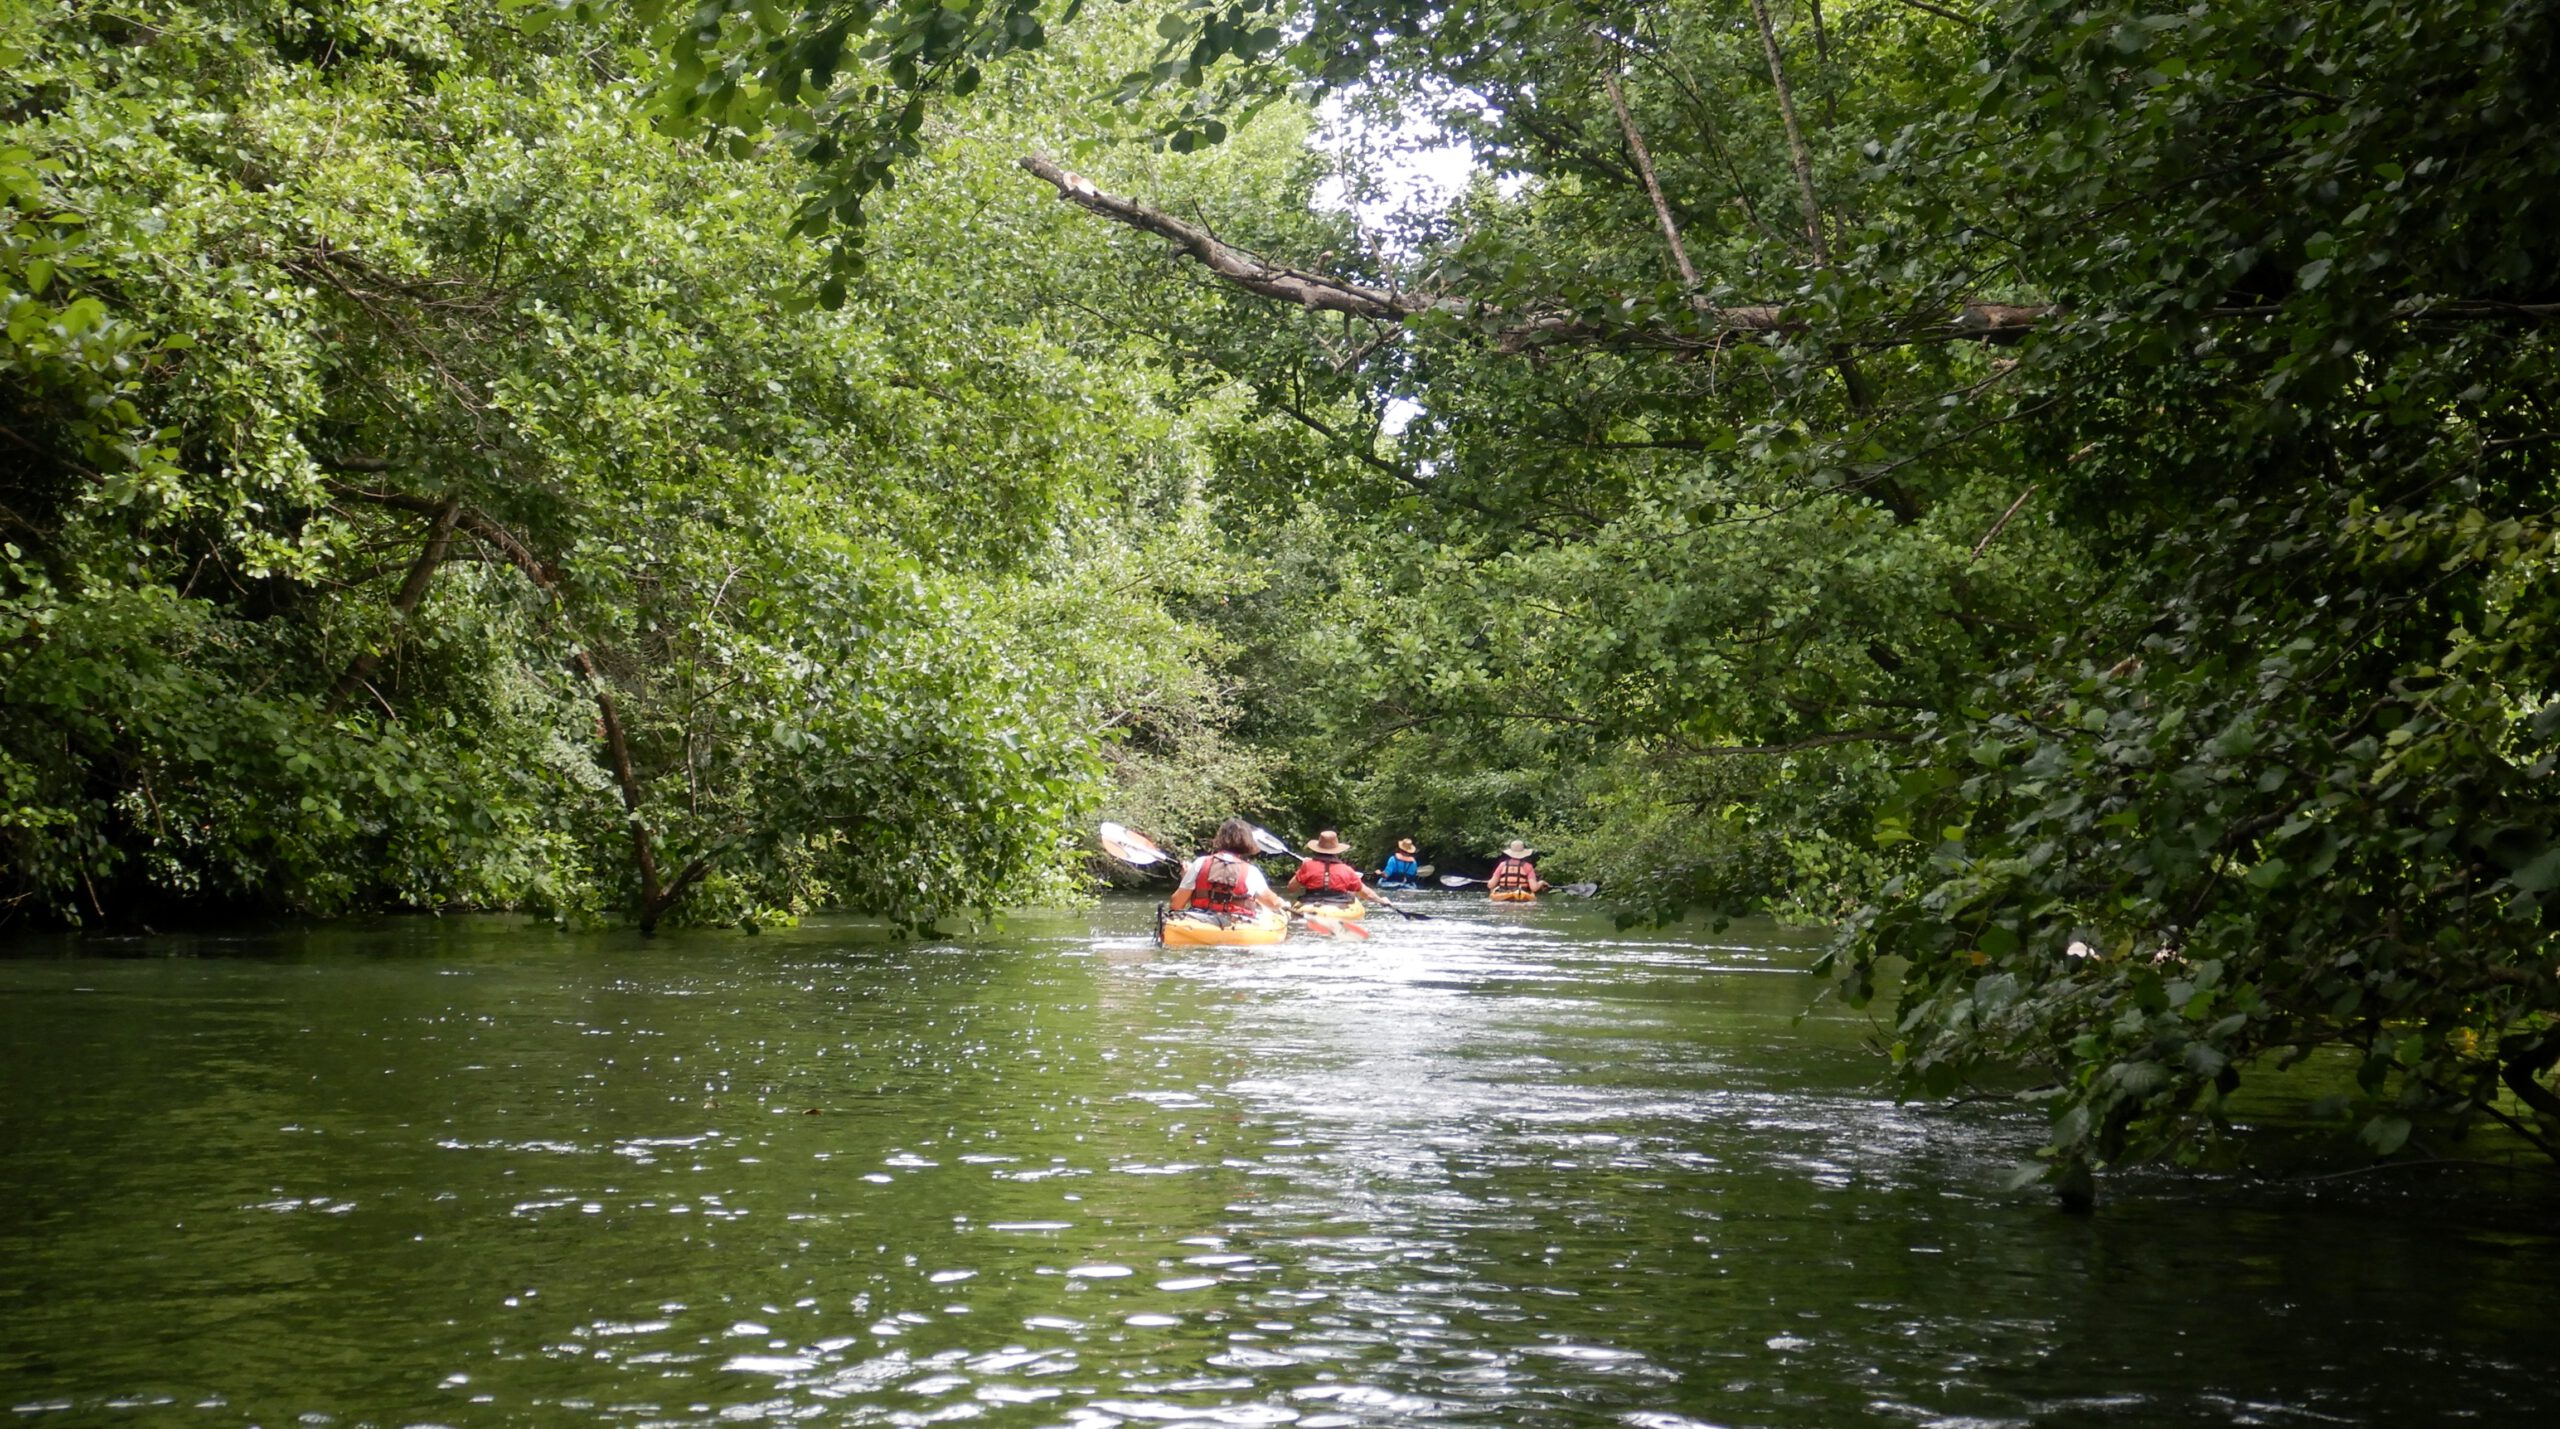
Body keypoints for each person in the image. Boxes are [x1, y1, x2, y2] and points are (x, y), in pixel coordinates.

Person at [1169, 818, 1288, 917]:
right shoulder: (1251, 871)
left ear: (1220, 838)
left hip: (1200, 922)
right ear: (1248, 841)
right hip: (1237, 926)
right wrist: (1283, 904)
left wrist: (1186, 878)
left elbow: (1176, 904)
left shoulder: (1200, 863)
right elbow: (1272, 902)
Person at [1289, 830, 1391, 908]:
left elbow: (1291, 889)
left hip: (1310, 904)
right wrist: (1381, 900)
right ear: (1336, 851)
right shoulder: (1346, 869)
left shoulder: (1307, 866)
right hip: (1339, 906)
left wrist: (1302, 867)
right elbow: (1367, 894)